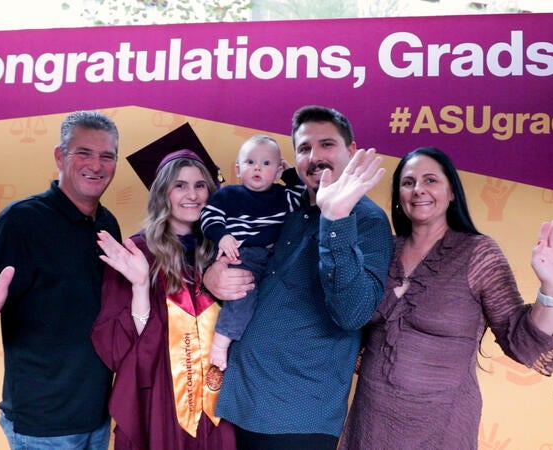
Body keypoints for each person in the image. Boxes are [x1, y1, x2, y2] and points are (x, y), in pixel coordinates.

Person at [339, 147, 553, 450]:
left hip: (442, 426)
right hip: (371, 421)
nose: (418, 190)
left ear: (452, 193)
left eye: (430, 180)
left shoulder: (479, 253)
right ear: (398, 195)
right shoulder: (381, 248)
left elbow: (520, 339)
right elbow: (346, 312)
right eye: (408, 182)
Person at [203, 105, 394, 449]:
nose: (315, 157)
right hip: (244, 401)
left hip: (296, 415)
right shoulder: (289, 210)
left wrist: (336, 219)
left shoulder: (367, 219)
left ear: (351, 151)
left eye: (327, 145)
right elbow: (251, 267)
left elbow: (353, 313)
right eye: (305, 148)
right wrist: (211, 275)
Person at [0, 110, 121, 449]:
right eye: (84, 153)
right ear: (60, 156)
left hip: (97, 416)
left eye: (106, 156)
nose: (96, 165)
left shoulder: (108, 224)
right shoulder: (20, 222)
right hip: (43, 426)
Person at [90, 148, 236, 450]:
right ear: (163, 194)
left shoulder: (223, 252)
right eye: (179, 185)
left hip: (220, 395)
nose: (192, 194)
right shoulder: (137, 253)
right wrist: (141, 285)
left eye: (200, 185)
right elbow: (122, 347)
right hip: (163, 396)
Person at [200, 134, 304, 370]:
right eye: (250, 162)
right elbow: (209, 216)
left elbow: (302, 196)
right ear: (238, 169)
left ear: (277, 172)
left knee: (271, 300)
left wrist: (289, 174)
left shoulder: (283, 196)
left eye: (266, 164)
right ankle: (222, 341)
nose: (257, 167)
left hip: (274, 259)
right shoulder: (228, 195)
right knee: (242, 297)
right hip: (242, 254)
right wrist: (223, 236)